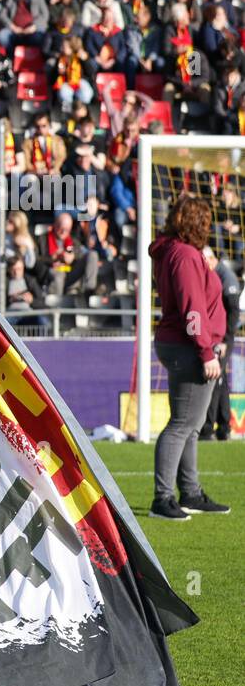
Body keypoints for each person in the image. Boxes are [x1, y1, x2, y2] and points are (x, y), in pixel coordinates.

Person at [149, 196, 231, 521]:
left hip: (185, 344)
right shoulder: (183, 255)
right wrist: (206, 350)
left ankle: (191, 492)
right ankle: (163, 498)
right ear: (197, 224)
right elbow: (192, 308)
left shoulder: (179, 252)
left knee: (191, 425)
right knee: (182, 424)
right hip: (188, 346)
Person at [200, 245, 241, 442]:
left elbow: (233, 312)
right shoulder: (216, 275)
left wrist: (225, 340)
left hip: (223, 338)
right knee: (221, 381)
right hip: (218, 336)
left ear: (211, 260)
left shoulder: (227, 279)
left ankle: (207, 429)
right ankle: (224, 427)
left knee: (214, 379)